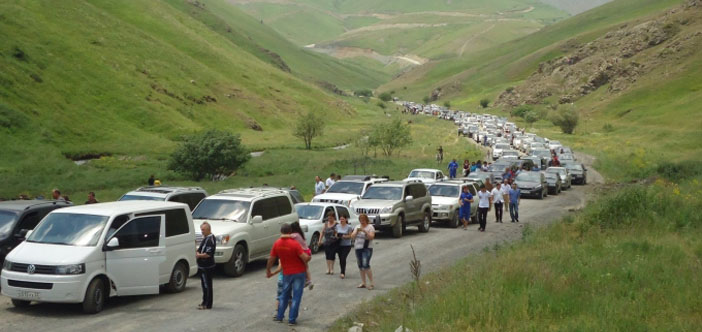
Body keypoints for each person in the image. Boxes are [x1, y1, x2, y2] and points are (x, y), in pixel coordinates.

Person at [266, 224, 311, 326]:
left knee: (284, 295)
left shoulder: (277, 243)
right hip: (299, 272)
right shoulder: (295, 244)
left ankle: (280, 316)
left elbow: (271, 259)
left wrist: (268, 271)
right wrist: (309, 256)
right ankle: (292, 319)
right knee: (296, 296)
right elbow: (305, 258)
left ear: (281, 231)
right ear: (290, 231)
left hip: (286, 273)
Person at [349, 214, 375, 290]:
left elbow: (372, 237)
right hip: (358, 247)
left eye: (363, 219)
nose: (362, 221)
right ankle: (363, 282)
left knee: (365, 264)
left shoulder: (370, 227)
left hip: (367, 248)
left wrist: (365, 232)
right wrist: (356, 231)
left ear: (366, 220)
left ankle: (371, 283)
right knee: (360, 265)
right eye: (361, 219)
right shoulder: (357, 227)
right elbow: (352, 236)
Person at [285, 222, 313, 289]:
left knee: (302, 267)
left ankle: (306, 281)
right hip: (307, 251)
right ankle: (309, 281)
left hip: (303, 253)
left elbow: (287, 237)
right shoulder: (300, 234)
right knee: (306, 267)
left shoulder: (295, 235)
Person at [196, 222, 216, 310]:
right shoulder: (205, 238)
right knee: (204, 285)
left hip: (207, 266)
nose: (202, 231)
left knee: (207, 285)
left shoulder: (210, 239)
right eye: (201, 230)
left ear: (208, 230)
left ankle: (208, 304)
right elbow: (200, 249)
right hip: (202, 265)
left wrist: (199, 255)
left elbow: (208, 254)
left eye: (203, 230)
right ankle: (204, 302)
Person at [335, 214, 354, 279]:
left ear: (346, 219)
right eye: (340, 219)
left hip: (347, 245)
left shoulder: (349, 227)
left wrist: (344, 236)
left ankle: (343, 272)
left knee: (343, 258)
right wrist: (337, 236)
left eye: (343, 219)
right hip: (339, 244)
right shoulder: (337, 226)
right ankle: (342, 270)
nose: (341, 220)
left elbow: (351, 236)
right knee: (340, 259)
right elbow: (335, 234)